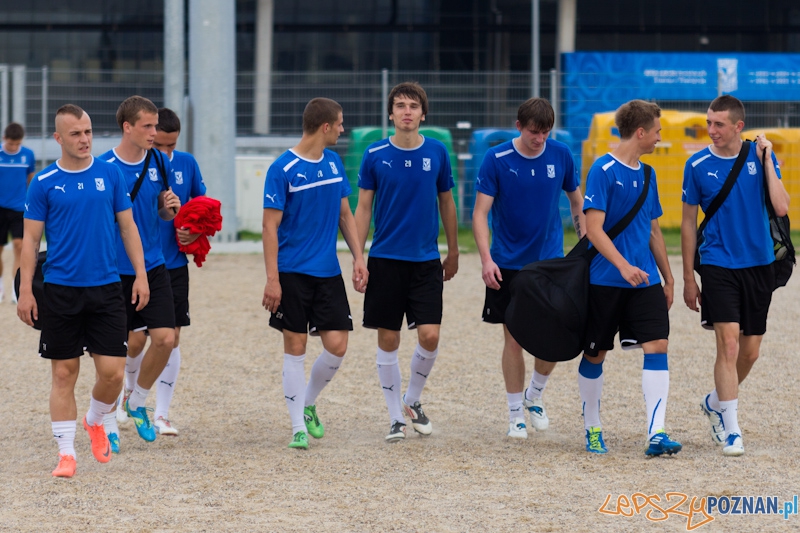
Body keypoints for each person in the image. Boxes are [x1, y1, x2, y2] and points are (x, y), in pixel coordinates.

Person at [17, 104, 150, 477]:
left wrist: (140, 274)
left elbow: (128, 228)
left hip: (107, 288)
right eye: (75, 134)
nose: (84, 139)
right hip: (60, 290)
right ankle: (66, 453)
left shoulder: (109, 175)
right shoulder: (43, 182)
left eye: (88, 131)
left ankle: (94, 420)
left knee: (112, 373)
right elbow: (30, 239)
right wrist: (25, 291)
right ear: (59, 138)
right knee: (64, 373)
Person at [681, 95, 788, 457]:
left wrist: (768, 160)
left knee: (751, 352)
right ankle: (732, 428)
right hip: (717, 264)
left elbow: (781, 206)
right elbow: (687, 224)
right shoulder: (695, 164)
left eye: (719, 124)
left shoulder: (761, 156)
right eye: (709, 123)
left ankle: (714, 402)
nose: (711, 130)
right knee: (727, 345)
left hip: (759, 264)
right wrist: (688, 278)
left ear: (738, 127)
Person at [472, 98, 585, 439]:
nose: (540, 139)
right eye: (534, 132)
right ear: (519, 126)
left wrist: (586, 245)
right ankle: (514, 414)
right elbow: (479, 213)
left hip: (550, 262)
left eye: (546, 133)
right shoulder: (497, 159)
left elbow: (576, 201)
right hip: (508, 263)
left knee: (556, 333)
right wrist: (486, 259)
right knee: (515, 338)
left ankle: (534, 395)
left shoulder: (561, 154)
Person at [354, 82, 459, 441]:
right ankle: (394, 417)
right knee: (388, 339)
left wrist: (454, 250)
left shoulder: (438, 152)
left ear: (423, 114)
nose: (407, 111)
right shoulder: (374, 154)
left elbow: (446, 201)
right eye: (400, 105)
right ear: (391, 114)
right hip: (384, 259)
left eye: (413, 106)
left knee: (430, 335)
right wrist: (358, 256)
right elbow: (363, 206)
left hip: (426, 259)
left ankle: (412, 400)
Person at [262, 97, 368, 450]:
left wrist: (358, 257)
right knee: (296, 347)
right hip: (291, 273)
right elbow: (269, 227)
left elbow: (345, 215)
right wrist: (272, 278)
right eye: (339, 123)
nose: (342, 128)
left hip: (327, 272)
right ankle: (297, 428)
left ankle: (307, 403)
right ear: (325, 126)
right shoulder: (283, 168)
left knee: (337, 345)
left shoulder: (335, 162)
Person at [578, 100, 681, 456]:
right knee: (596, 354)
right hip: (606, 280)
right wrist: (622, 265)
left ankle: (656, 433)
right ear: (641, 132)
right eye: (657, 131)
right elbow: (593, 229)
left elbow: (653, 230)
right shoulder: (602, 170)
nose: (659, 138)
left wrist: (667, 277)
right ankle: (592, 427)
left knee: (658, 346)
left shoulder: (649, 174)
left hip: (645, 281)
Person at [98, 96, 181, 452]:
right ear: (127, 127)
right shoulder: (101, 167)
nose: (154, 132)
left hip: (153, 264)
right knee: (113, 354)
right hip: (112, 271)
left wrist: (168, 210)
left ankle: (137, 402)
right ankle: (104, 418)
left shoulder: (159, 161)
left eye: (155, 125)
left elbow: (160, 215)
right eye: (147, 126)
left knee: (165, 339)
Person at [120, 107, 206, 437]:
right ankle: (127, 393)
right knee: (133, 340)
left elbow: (201, 208)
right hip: (133, 266)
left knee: (170, 337)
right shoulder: (129, 164)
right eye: (161, 144)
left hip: (172, 264)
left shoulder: (182, 163)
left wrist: (195, 231)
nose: (167, 151)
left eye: (172, 145)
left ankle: (161, 413)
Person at [0, 122, 36, 303]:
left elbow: (31, 181)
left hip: (19, 208)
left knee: (19, 246)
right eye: (11, 144)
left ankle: (16, 289)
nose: (14, 147)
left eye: (17, 144)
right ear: (4, 139)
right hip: (0, 208)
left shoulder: (28, 155)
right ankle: (0, 286)